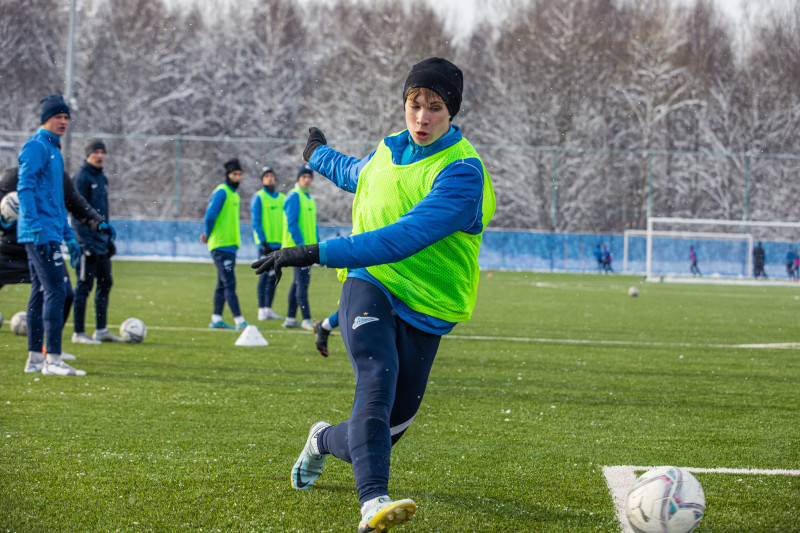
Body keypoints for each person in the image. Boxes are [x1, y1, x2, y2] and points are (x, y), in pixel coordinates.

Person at [253, 57, 495, 532]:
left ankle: (321, 440)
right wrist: (316, 154)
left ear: (453, 113)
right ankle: (373, 503)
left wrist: (312, 252)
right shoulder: (389, 151)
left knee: (384, 432)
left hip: (428, 308)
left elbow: (402, 236)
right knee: (376, 379)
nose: (422, 117)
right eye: (414, 104)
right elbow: (359, 174)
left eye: (436, 108)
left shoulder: (463, 174)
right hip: (370, 283)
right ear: (404, 103)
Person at [16, 94, 86, 376]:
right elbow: (25, 188)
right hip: (39, 233)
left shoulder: (54, 151)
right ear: (46, 118)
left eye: (67, 118)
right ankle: (53, 360)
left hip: (50, 232)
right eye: (59, 116)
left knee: (41, 291)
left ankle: (35, 358)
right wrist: (34, 227)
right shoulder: (36, 147)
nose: (64, 122)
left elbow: (56, 201)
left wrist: (68, 234)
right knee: (59, 291)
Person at [1, 167, 109, 289]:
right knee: (55, 292)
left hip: (46, 246)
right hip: (11, 248)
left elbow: (76, 204)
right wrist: (4, 221)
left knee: (63, 293)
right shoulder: (15, 175)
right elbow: (4, 205)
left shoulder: (59, 176)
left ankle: (38, 309)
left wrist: (97, 222)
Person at [70, 139, 122, 344]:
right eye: (96, 152)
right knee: (84, 286)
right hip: (87, 244)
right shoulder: (81, 177)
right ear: (88, 154)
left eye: (103, 152)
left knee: (106, 282)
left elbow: (103, 213)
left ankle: (101, 329)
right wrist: (83, 243)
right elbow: (77, 212)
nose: (100, 155)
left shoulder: (103, 179)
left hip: (101, 243)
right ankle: (79, 333)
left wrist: (107, 240)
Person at [201, 158, 250, 331]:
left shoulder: (234, 195)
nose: (238, 178)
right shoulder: (222, 192)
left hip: (230, 246)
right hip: (220, 246)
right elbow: (210, 216)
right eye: (235, 174)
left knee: (222, 283)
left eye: (240, 175)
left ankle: (216, 319)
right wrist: (208, 234)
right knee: (230, 283)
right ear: (228, 175)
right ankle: (239, 321)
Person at [280, 164, 318, 331]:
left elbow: (312, 226)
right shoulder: (294, 196)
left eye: (309, 177)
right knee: (302, 283)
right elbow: (292, 222)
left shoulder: (309, 198)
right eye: (304, 177)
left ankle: (290, 318)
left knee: (298, 283)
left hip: (308, 249)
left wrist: (317, 246)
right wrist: (301, 244)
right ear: (298, 179)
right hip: (298, 248)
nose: (307, 180)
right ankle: (306, 319)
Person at [249, 166, 284, 321]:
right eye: (266, 176)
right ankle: (261, 309)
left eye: (271, 175)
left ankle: (268, 309)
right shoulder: (259, 197)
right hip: (266, 245)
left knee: (274, 276)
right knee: (264, 276)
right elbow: (256, 222)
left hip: (279, 244)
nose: (270, 178)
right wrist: (263, 242)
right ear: (262, 179)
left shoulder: (282, 198)